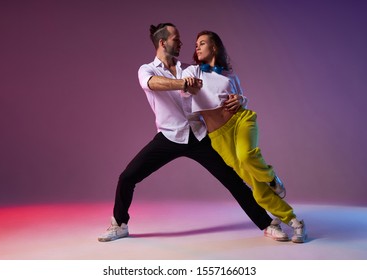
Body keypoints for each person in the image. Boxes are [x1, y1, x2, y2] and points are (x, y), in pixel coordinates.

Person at [98, 23, 289, 243]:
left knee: (234, 180)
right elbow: (152, 84)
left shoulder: (191, 68)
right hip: (169, 137)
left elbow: (220, 88)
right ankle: (119, 224)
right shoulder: (147, 70)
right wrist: (182, 84)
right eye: (176, 39)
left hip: (199, 136)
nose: (181, 43)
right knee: (127, 177)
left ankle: (267, 224)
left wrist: (241, 99)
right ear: (162, 42)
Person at [181, 30, 307, 243]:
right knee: (255, 189)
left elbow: (243, 99)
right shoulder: (193, 71)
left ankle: (271, 178)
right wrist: (188, 83)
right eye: (196, 44)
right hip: (219, 137)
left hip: (240, 120)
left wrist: (240, 98)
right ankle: (295, 221)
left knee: (247, 155)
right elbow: (185, 88)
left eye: (202, 43)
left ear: (214, 47)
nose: (197, 47)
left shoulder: (230, 75)